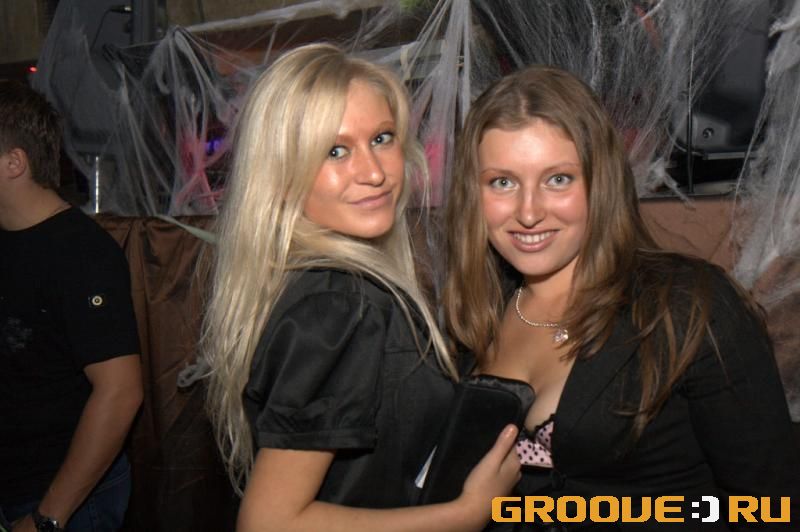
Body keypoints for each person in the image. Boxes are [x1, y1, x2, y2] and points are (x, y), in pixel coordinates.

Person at [443, 65, 800, 530]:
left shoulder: (687, 306)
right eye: (503, 182)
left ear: (601, 182)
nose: (528, 212)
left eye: (558, 179)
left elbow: (774, 506)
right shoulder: (473, 317)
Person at [202, 43, 520, 532]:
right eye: (335, 151)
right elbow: (268, 523)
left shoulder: (316, 287)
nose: (374, 173)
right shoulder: (341, 305)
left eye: (382, 138)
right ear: (282, 174)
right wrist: (465, 514)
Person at [0, 80, 143, 531]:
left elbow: (120, 393)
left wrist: (47, 518)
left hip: (66, 497)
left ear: (14, 163)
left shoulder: (81, 253)